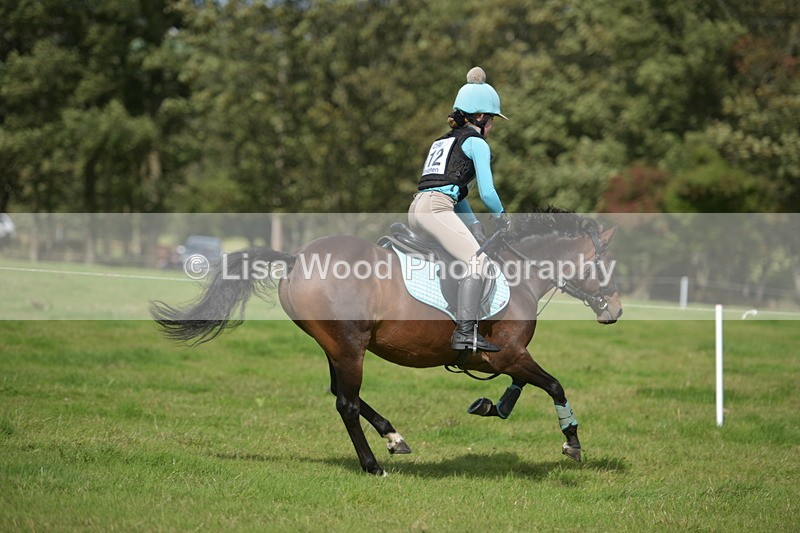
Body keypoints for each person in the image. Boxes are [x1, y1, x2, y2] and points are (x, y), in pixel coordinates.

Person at [408, 66, 510, 353]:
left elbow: (452, 188)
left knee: (463, 256)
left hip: (417, 208)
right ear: (480, 117)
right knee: (478, 263)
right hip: (437, 211)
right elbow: (488, 193)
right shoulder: (476, 143)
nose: (492, 127)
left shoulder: (441, 141)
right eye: (491, 121)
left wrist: (474, 225)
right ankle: (465, 334)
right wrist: (502, 217)